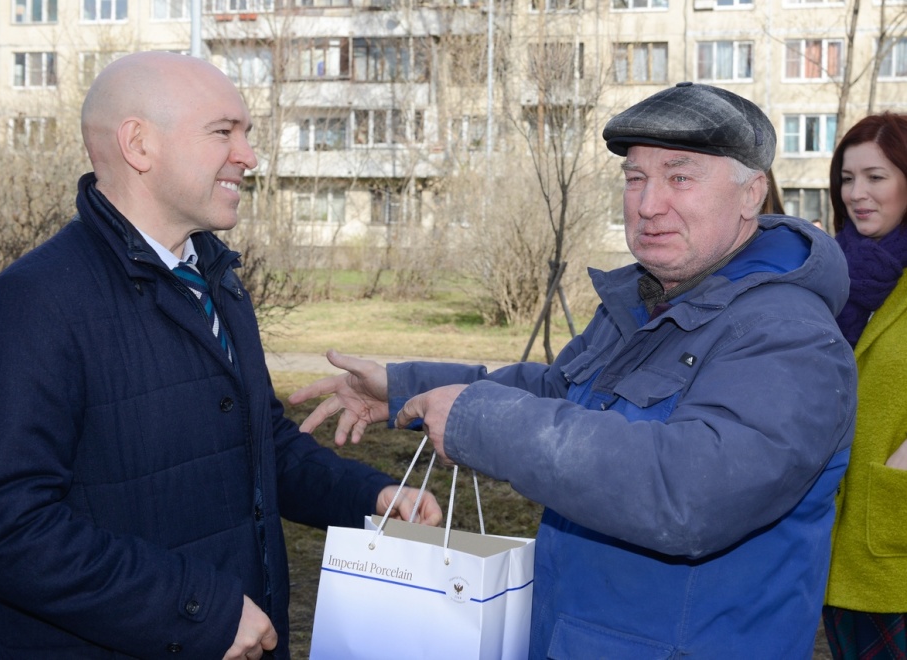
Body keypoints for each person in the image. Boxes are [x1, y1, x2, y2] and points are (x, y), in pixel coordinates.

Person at [289, 82, 856, 657]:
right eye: (635, 179)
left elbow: (690, 494)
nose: (648, 204)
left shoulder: (788, 334)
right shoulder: (649, 300)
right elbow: (560, 393)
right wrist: (406, 390)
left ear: (751, 194)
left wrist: (480, 422)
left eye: (680, 178)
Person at [0, 50, 441, 659]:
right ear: (139, 145)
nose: (249, 156)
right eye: (223, 132)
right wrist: (199, 610)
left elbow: (256, 443)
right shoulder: (30, 306)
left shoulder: (214, 280)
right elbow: (0, 526)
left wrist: (368, 498)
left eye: (246, 133)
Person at [822, 113, 907, 659]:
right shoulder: (829, 273)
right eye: (848, 179)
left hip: (893, 530)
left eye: (876, 177)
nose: (857, 193)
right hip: (832, 531)